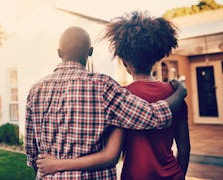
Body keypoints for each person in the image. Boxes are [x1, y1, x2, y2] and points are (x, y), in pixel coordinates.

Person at [36, 12, 190, 179]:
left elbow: (112, 153)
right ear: (156, 59)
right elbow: (185, 146)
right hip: (173, 174)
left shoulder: (122, 95)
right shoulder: (174, 95)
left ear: (124, 63)